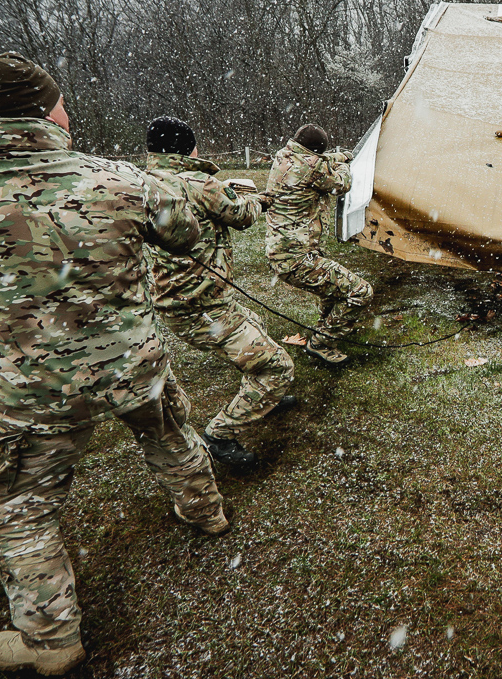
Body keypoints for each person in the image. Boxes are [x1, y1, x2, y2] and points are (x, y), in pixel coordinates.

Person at [0, 52, 232, 677]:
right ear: (47, 109)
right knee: (168, 434)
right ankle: (205, 511)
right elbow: (186, 235)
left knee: (16, 502)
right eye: (61, 102)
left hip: (35, 388)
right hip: (133, 363)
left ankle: (51, 636)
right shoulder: (121, 181)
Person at [141, 116, 297, 470]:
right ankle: (220, 435)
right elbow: (242, 216)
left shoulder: (144, 182)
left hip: (178, 301)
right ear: (189, 148)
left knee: (254, 323)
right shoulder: (202, 183)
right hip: (202, 307)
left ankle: (265, 394)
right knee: (278, 367)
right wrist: (261, 199)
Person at [263, 123, 373, 365]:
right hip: (297, 259)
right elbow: (342, 183)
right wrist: (345, 164)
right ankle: (321, 342)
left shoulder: (285, 156)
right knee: (360, 291)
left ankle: (328, 327)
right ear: (315, 153)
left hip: (282, 252)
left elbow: (317, 160)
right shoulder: (313, 168)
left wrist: (339, 154)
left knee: (333, 291)